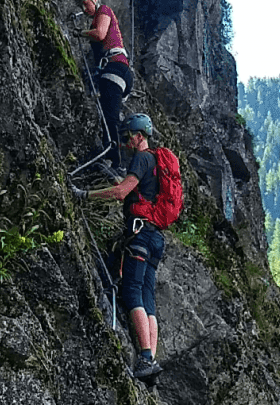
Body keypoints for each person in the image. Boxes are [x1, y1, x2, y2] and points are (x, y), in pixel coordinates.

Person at [87, 113, 176, 380]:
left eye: (127, 137)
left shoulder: (142, 158)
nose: (125, 142)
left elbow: (121, 193)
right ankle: (151, 358)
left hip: (140, 233)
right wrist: (114, 178)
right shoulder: (158, 164)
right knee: (148, 298)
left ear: (139, 136)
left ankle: (146, 357)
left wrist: (86, 195)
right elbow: (138, 191)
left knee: (131, 291)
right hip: (156, 237)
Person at [76, 0, 132, 171]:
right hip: (119, 70)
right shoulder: (97, 17)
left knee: (110, 118)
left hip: (115, 68)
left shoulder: (104, 11)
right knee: (110, 115)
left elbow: (100, 34)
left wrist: (80, 33)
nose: (84, 9)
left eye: (85, 3)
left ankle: (115, 162)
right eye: (81, 6)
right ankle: (116, 159)